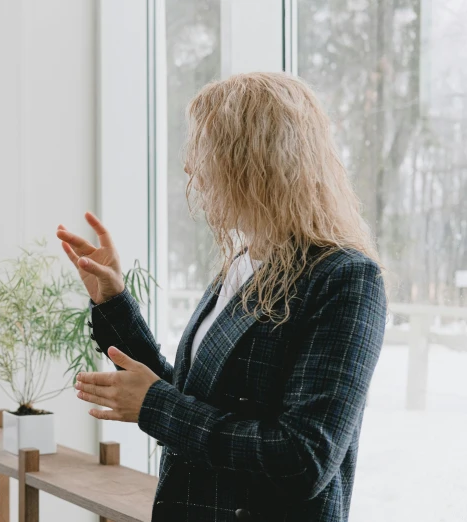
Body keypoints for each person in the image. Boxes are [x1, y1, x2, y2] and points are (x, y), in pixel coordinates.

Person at [57, 72, 387, 521]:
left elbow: (303, 458)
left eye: (204, 148)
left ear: (256, 159)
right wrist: (113, 301)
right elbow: (193, 398)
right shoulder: (245, 263)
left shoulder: (345, 278)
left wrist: (155, 406)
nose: (191, 168)